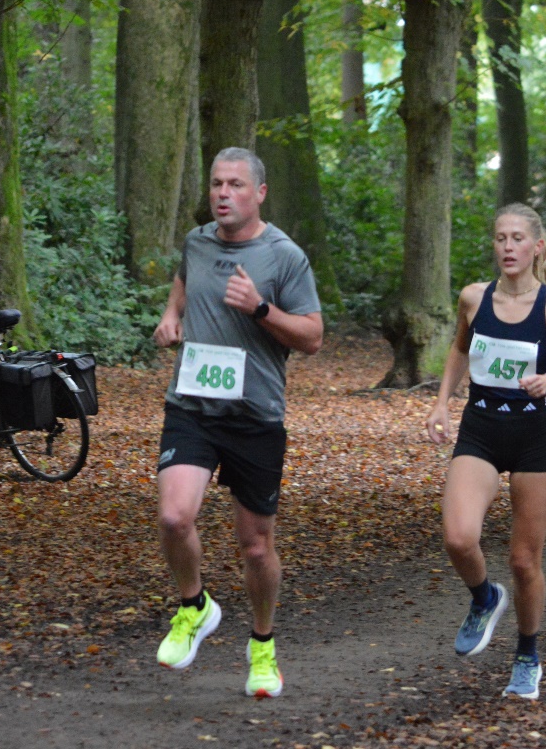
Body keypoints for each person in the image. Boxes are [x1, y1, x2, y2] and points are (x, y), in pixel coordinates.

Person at [151, 146, 324, 698]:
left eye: (235, 185)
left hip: (255, 416)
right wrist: (172, 315)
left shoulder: (284, 256)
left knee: (255, 547)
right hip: (192, 406)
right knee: (175, 516)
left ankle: (263, 644)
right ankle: (194, 606)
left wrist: (260, 308)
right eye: (216, 184)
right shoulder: (198, 241)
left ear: (260, 193)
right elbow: (184, 279)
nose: (223, 194)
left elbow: (314, 337)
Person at [425, 203, 546, 701]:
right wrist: (441, 403)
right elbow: (459, 349)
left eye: (518, 239)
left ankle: (527, 655)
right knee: (458, 538)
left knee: (524, 561)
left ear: (537, 247)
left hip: (533, 437)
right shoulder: (473, 299)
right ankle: (483, 597)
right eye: (501, 239)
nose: (508, 248)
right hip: (480, 428)